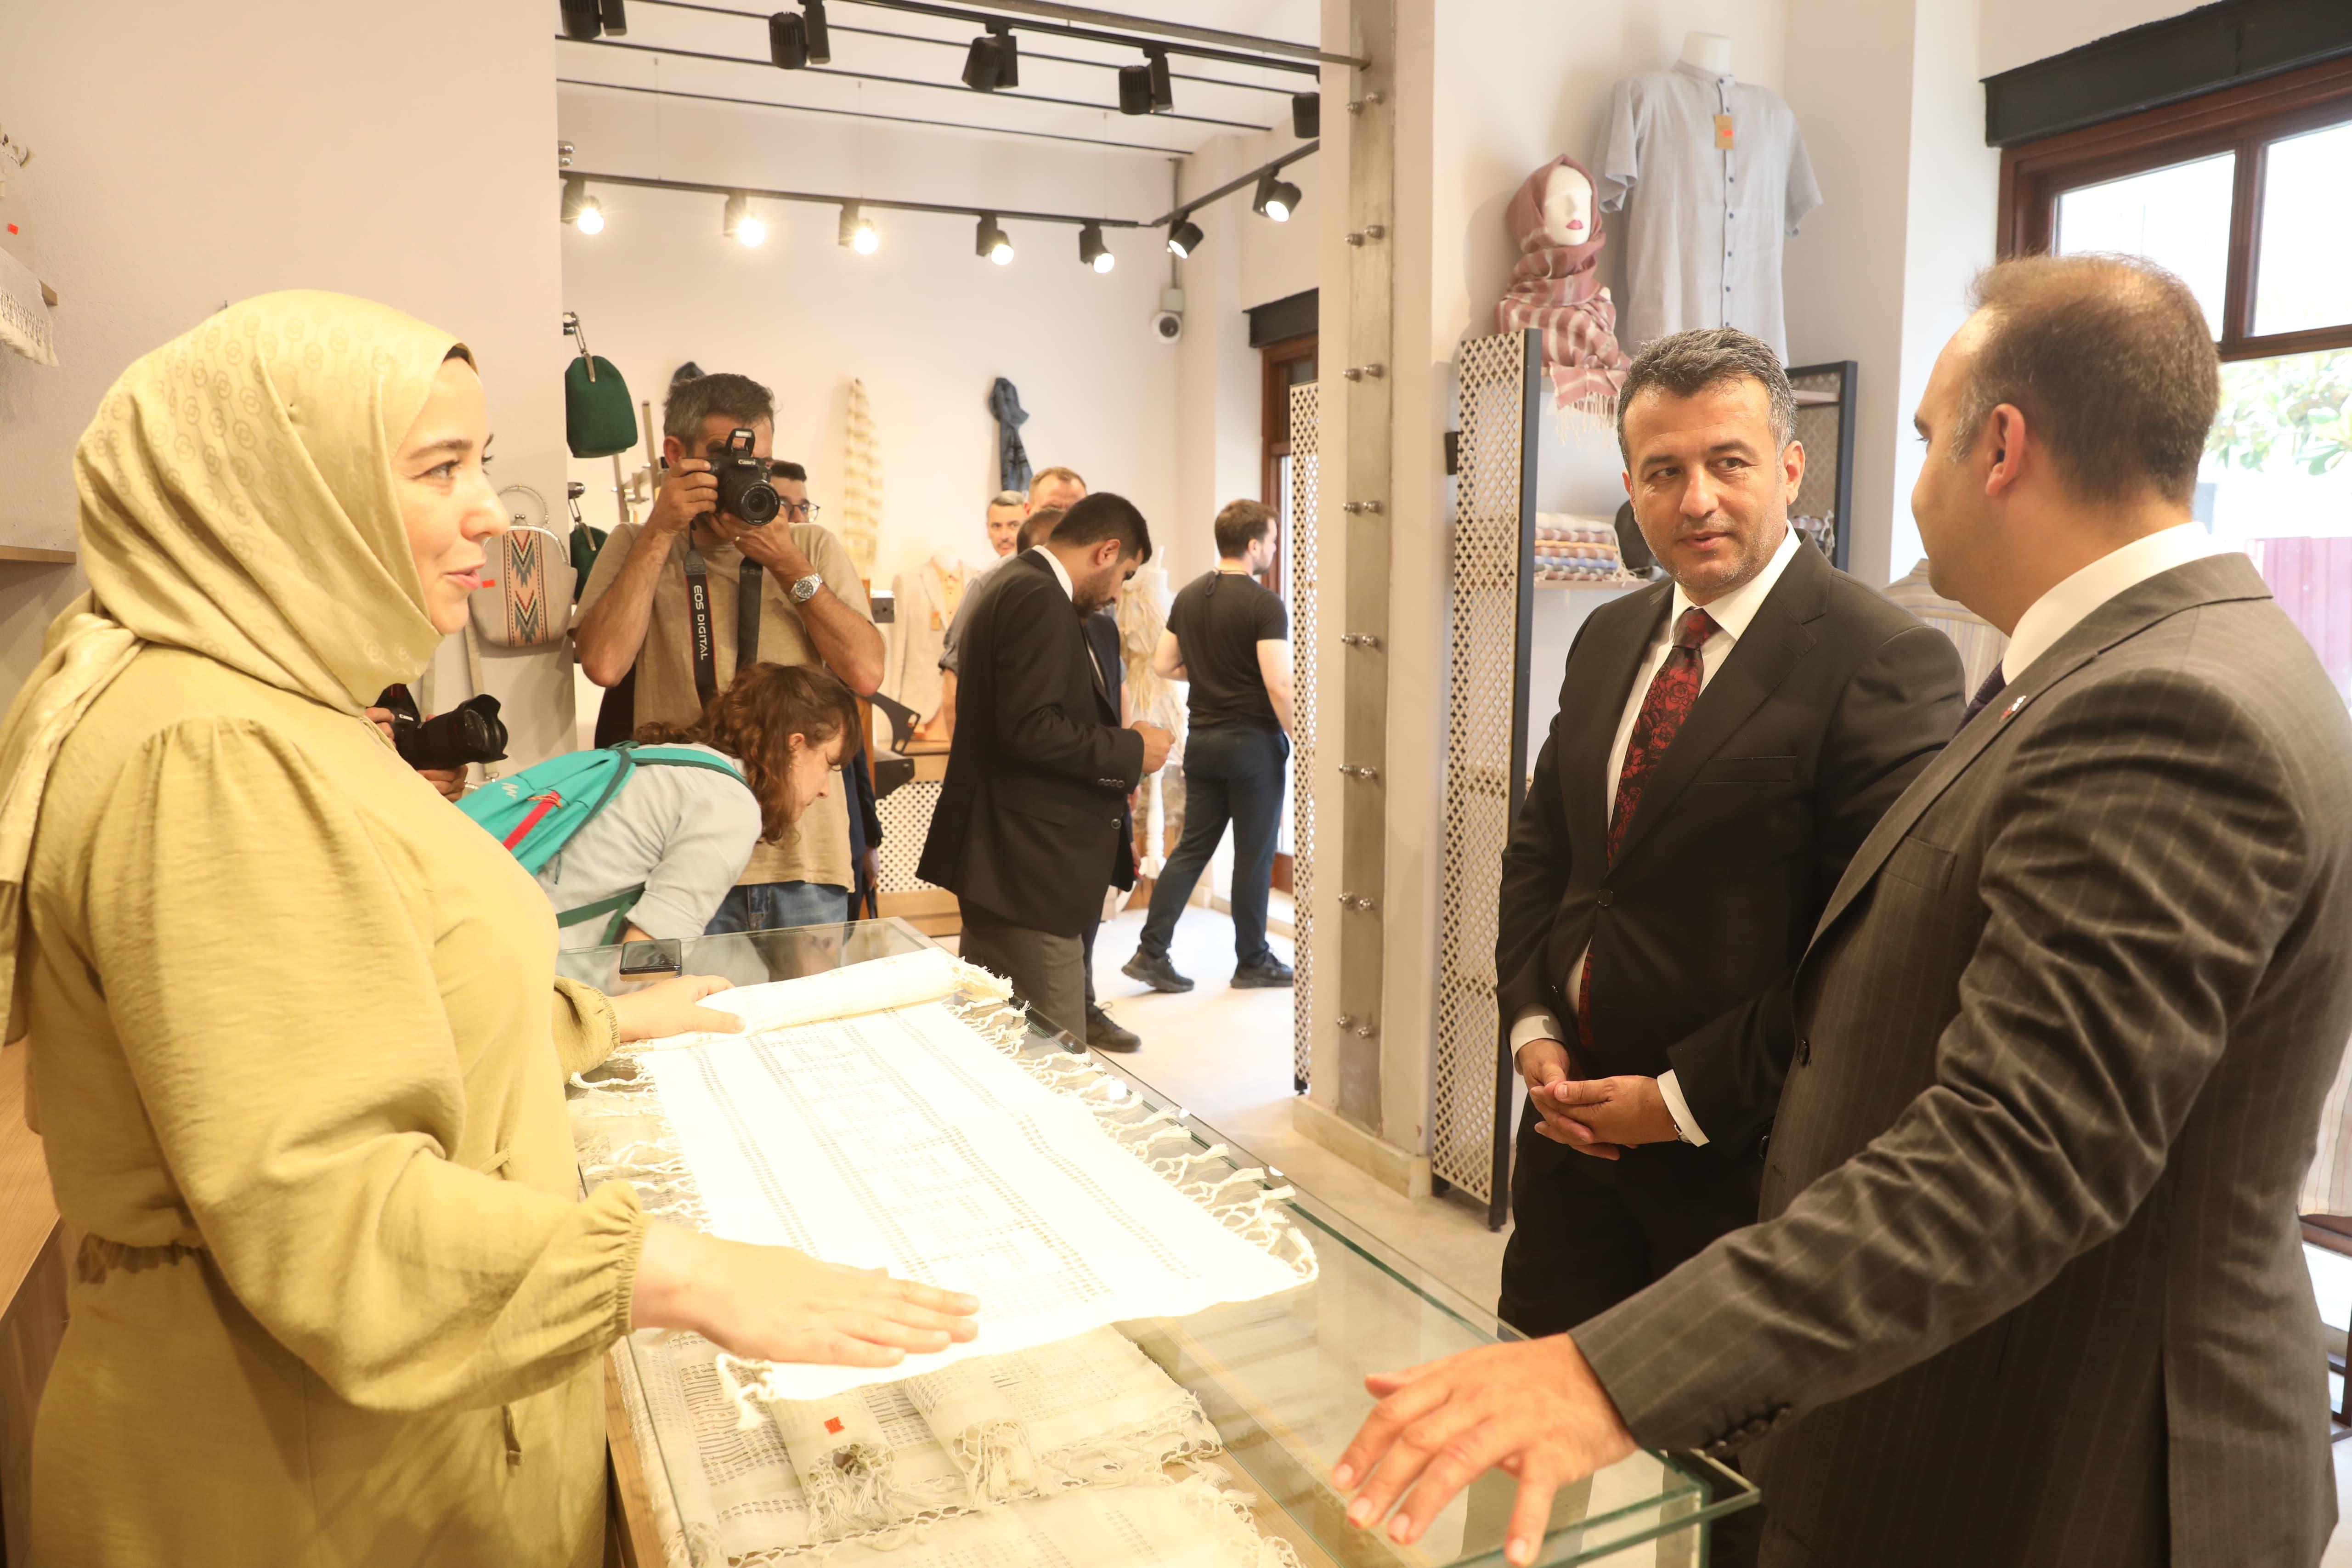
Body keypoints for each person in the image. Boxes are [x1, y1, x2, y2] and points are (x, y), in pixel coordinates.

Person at [1330, 255, 2352, 1568]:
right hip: (1922, 1350)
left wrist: (1611, 1374)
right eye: (1661, 469)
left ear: (1999, 446)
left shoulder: (2167, 705)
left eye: (1925, 437)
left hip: (2075, 1448)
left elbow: (2016, 1151)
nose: (1915, 479)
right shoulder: (2119, 667)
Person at [3, 293, 977, 1567]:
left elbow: (395, 1001)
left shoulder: (278, 705)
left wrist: (596, 1017)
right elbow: (326, 1208)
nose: (488, 513)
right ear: (292, 484)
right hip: (297, 1477)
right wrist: (682, 1272)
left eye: (483, 463)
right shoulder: (213, 749)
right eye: (438, 468)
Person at [1485, 328, 1962, 1377]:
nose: (1696, 499)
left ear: (1789, 468)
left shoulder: (1884, 659)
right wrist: (1531, 1024)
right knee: (1526, 1420)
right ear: (1631, 488)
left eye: (1728, 462)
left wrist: (1677, 1100)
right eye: (1664, 471)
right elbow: (1545, 852)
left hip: (1740, 1167)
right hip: (1567, 1142)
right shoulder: (1609, 637)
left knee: (1710, 1456)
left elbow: (1867, 952)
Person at [575, 372, 882, 933]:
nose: (744, 476)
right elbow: (604, 663)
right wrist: (660, 531)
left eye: (758, 463)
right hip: (679, 857)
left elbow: (864, 673)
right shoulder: (634, 544)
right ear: (676, 455)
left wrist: (788, 564)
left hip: (801, 855)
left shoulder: (809, 546)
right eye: (724, 459)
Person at [919, 493, 1171, 1042]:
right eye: (1125, 574)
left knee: (998, 1040)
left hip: (1008, 861)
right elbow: (1029, 728)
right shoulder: (1036, 594)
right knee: (1053, 1054)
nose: (1118, 592)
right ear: (1106, 552)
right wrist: (1132, 749)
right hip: (1025, 869)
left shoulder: (1020, 584)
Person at [531, 662, 862, 949]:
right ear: (795, 747)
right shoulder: (730, 808)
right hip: (549, 978)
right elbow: (645, 963)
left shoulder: (679, 763)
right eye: (829, 764)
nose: (825, 791)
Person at [1124, 499, 1300, 995]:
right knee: (1254, 855)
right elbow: (1279, 684)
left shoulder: (1189, 596)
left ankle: (1151, 952)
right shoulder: (1265, 604)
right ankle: (1253, 961)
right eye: (1271, 540)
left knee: (1191, 849)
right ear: (1253, 545)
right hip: (1252, 748)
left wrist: (1208, 676)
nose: (1274, 548)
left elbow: (1163, 664)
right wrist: (1303, 740)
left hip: (1202, 741)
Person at [933, 464, 1091, 740]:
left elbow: (1113, 677)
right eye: (1052, 509)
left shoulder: (1096, 588)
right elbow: (954, 673)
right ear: (1029, 511)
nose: (1064, 521)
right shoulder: (989, 583)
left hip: (1082, 748)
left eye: (1075, 511)